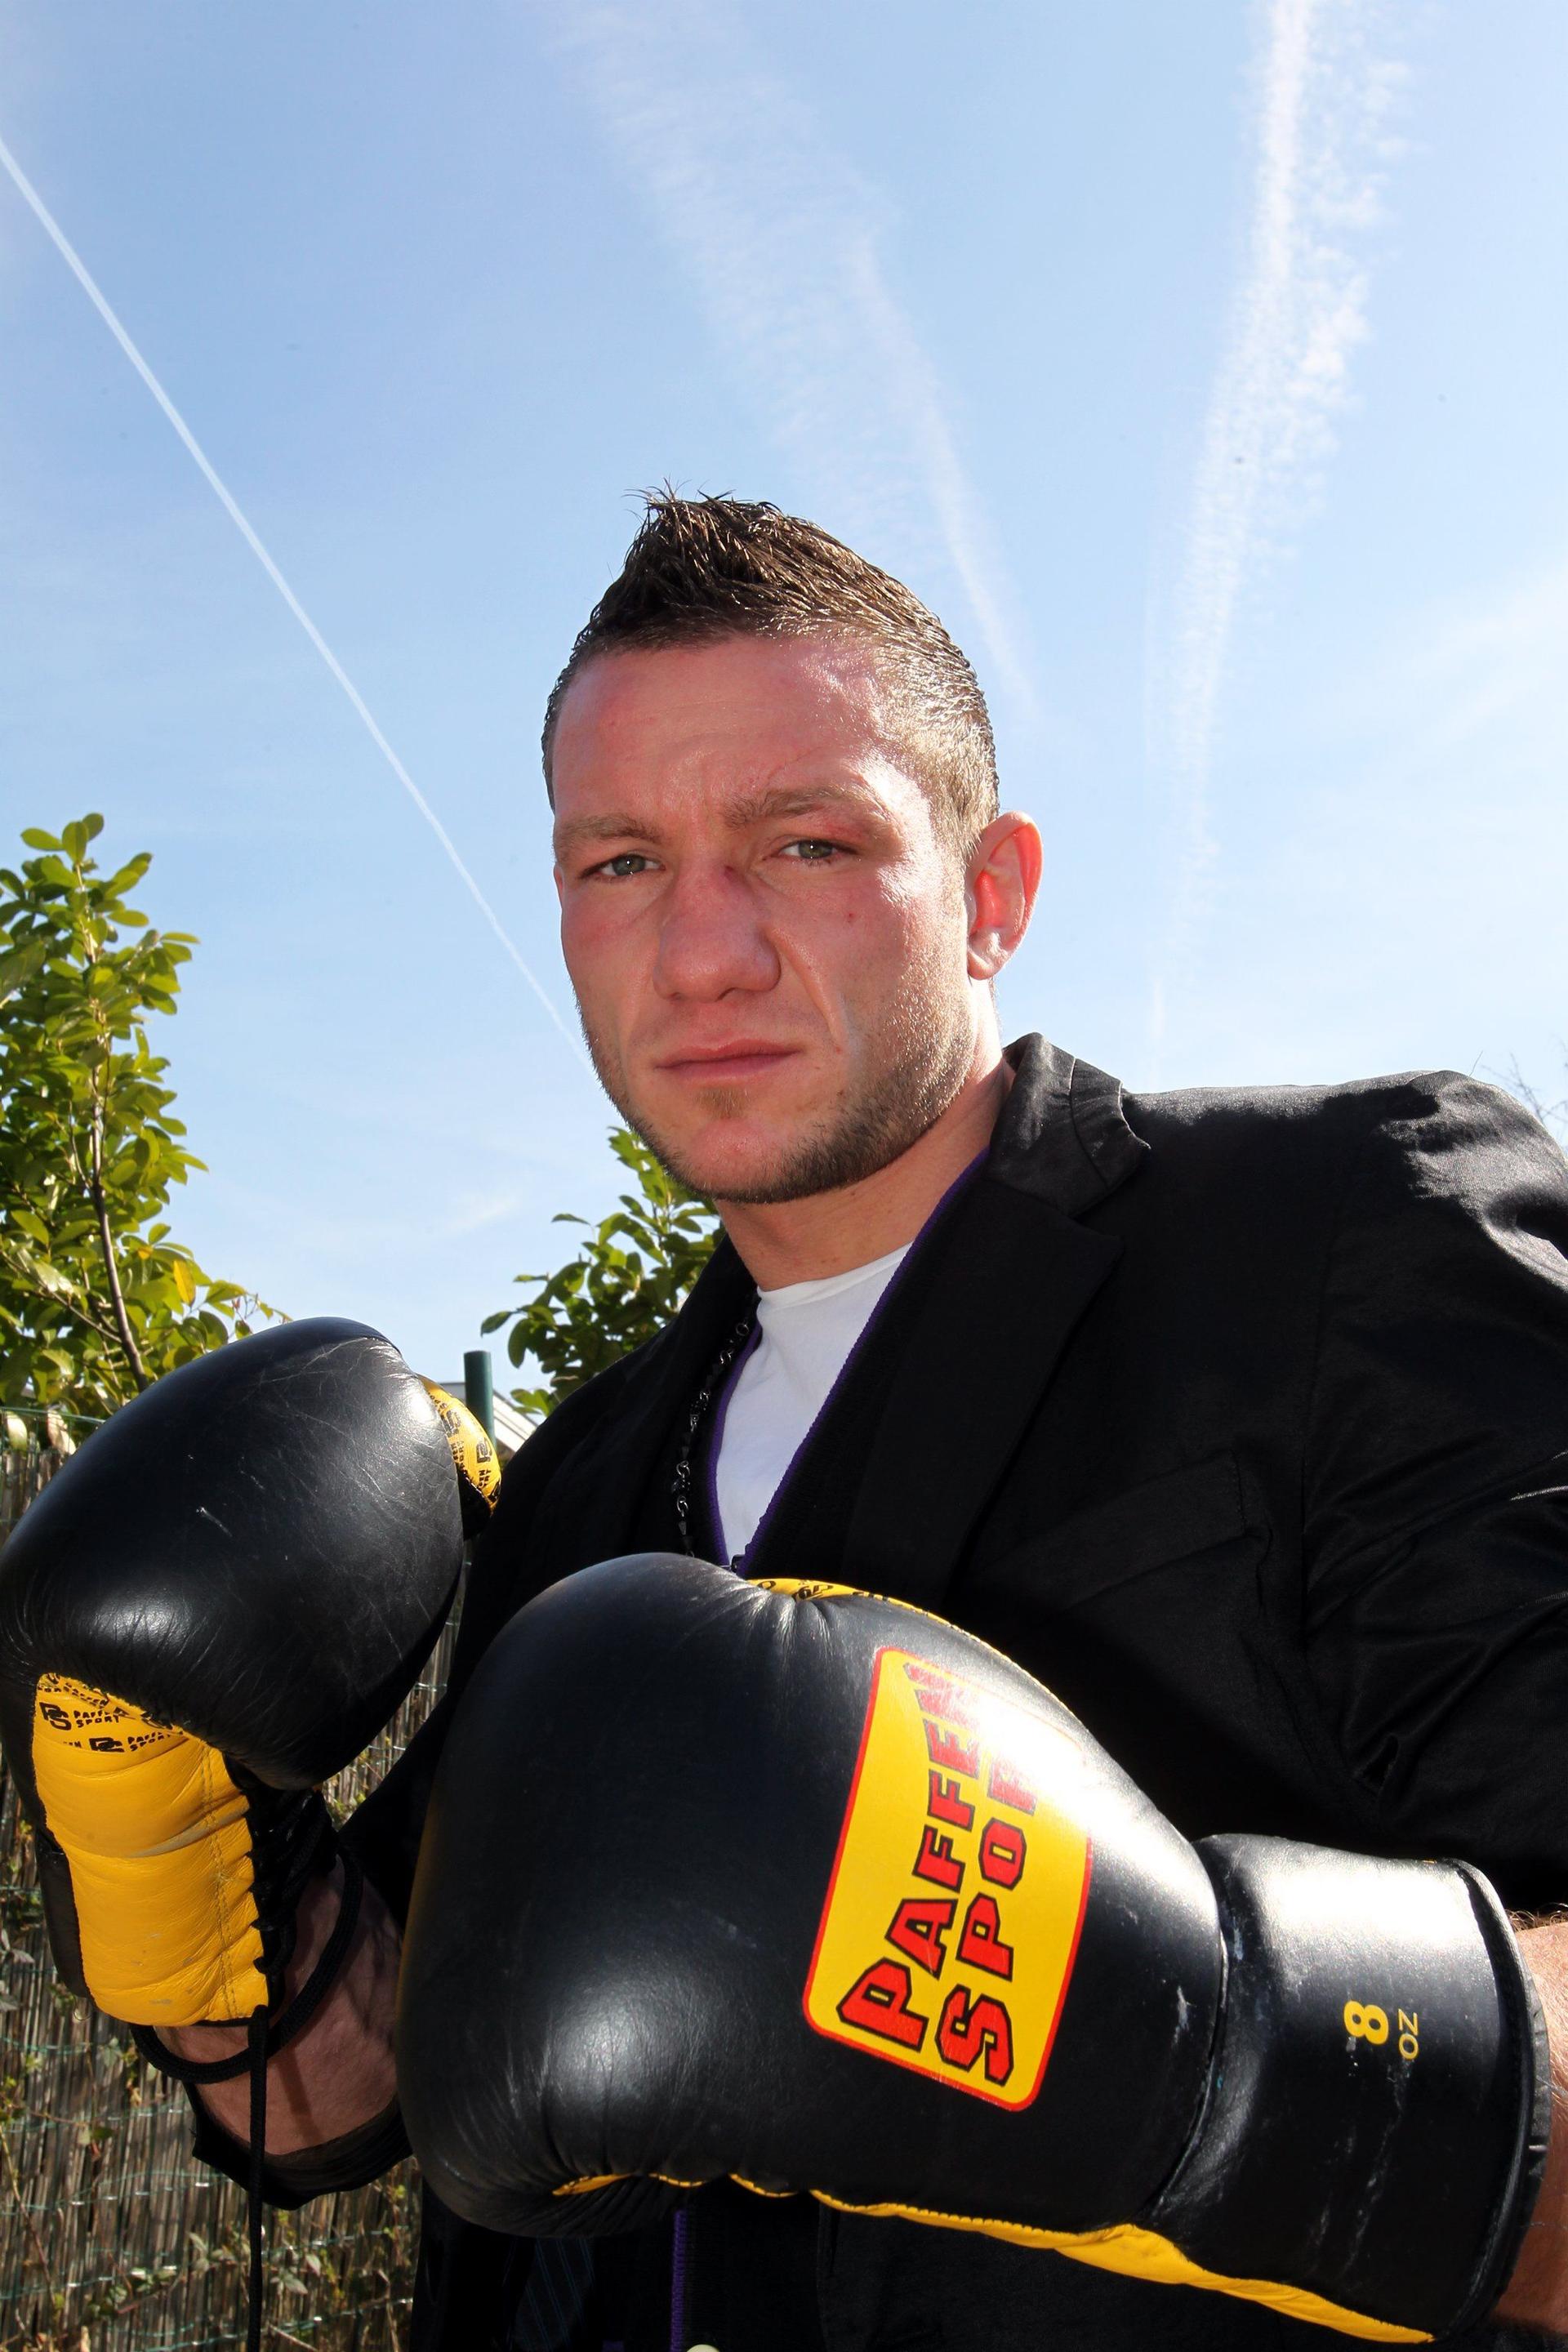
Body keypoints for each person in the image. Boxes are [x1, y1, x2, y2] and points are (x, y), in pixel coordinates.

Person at [75, 499, 1568, 2345]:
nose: (701, 954)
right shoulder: (573, 1482)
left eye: (807, 841)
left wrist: (1193, 2059)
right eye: (619, 862)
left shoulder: (1340, 1238)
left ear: (994, 891)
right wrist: (177, 1880)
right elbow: (364, 2092)